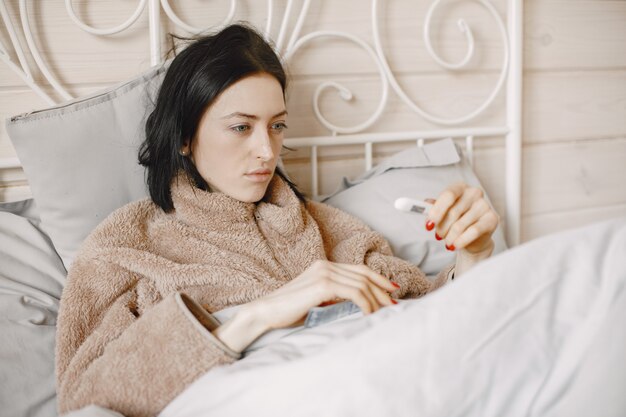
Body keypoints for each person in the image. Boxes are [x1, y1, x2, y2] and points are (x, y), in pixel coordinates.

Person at [55, 23, 499, 417]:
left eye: (277, 126)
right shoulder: (125, 247)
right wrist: (258, 316)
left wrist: (473, 258)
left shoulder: (329, 228)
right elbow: (84, 400)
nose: (268, 151)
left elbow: (434, 320)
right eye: (241, 127)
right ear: (185, 137)